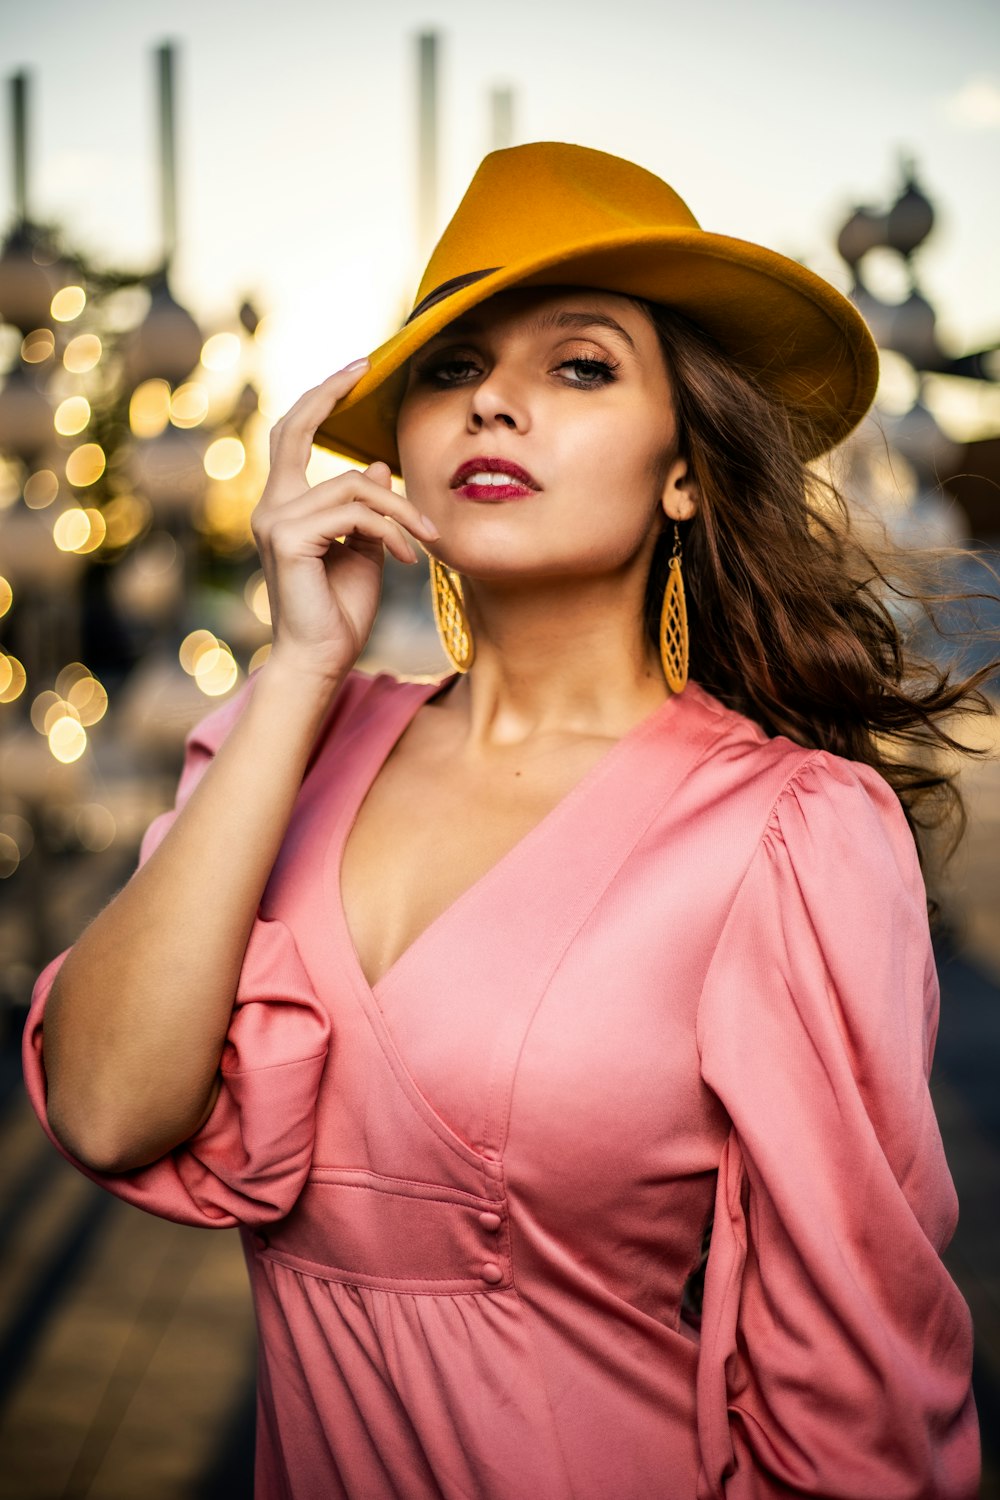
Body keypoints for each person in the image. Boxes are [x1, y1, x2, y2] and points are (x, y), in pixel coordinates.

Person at [23, 142, 985, 1498]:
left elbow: (855, 1402)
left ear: (686, 473)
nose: (494, 407)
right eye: (451, 368)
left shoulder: (787, 834)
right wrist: (300, 666)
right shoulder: (277, 749)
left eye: (579, 366)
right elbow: (110, 1109)